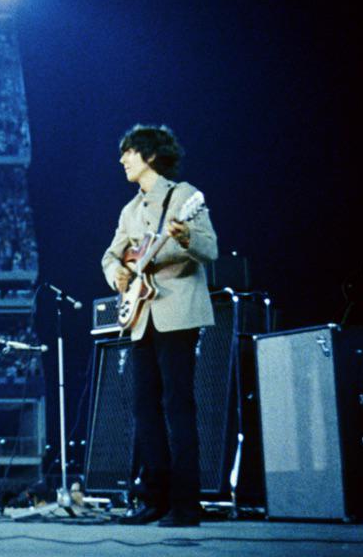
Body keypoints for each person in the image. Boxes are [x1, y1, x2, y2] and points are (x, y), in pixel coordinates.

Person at [101, 124, 218, 527]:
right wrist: (117, 273)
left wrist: (185, 238)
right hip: (140, 317)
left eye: (128, 152)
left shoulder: (183, 197)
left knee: (178, 407)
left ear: (149, 155)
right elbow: (109, 256)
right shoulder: (129, 211)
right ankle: (153, 498)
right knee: (143, 409)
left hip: (177, 312)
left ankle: (186, 505)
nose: (122, 160)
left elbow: (210, 249)